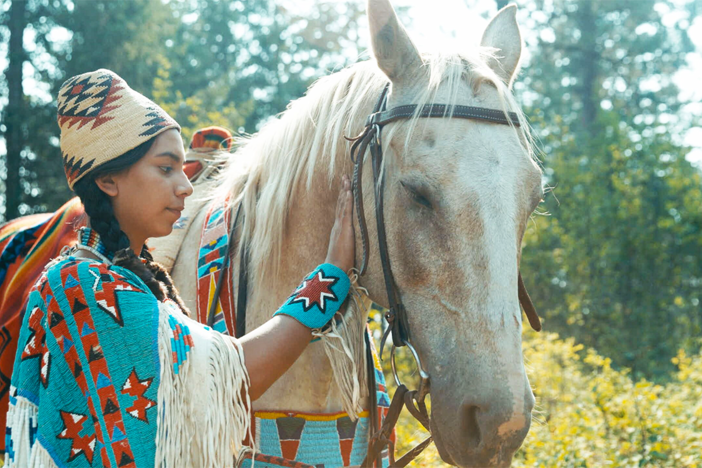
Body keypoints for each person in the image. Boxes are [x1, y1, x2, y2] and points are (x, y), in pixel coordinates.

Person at [4, 69, 355, 468]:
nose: (186, 186)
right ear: (107, 179)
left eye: (182, 170)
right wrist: (330, 274)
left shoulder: (122, 280)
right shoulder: (82, 287)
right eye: (166, 168)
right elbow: (232, 376)